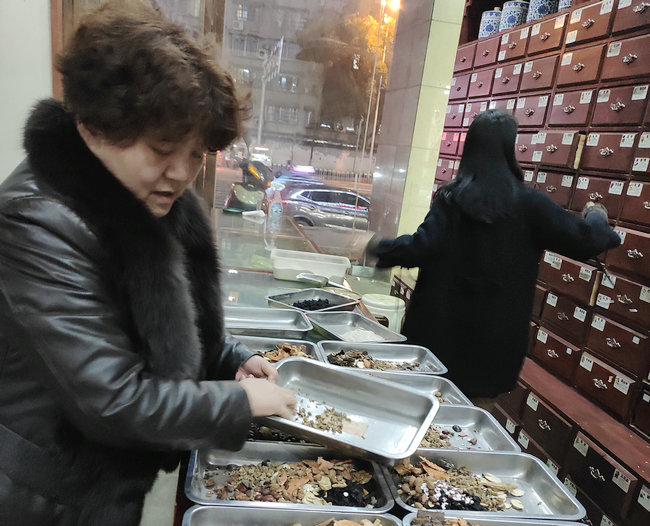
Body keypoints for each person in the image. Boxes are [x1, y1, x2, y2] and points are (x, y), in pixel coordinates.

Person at [0, 2, 295, 525]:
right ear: (96, 126)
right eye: (162, 149)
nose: (180, 174)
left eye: (197, 154)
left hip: (108, 484)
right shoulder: (35, 222)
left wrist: (230, 358)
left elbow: (163, 324)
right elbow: (113, 400)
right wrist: (239, 403)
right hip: (46, 499)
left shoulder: (143, 200)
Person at [367, 110, 621, 407]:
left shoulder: (451, 199)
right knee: (468, 424)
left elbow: (422, 246)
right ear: (509, 149)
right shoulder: (530, 205)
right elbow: (586, 240)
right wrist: (596, 214)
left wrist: (379, 248)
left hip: (437, 340)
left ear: (470, 149)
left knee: (420, 415)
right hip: (493, 349)